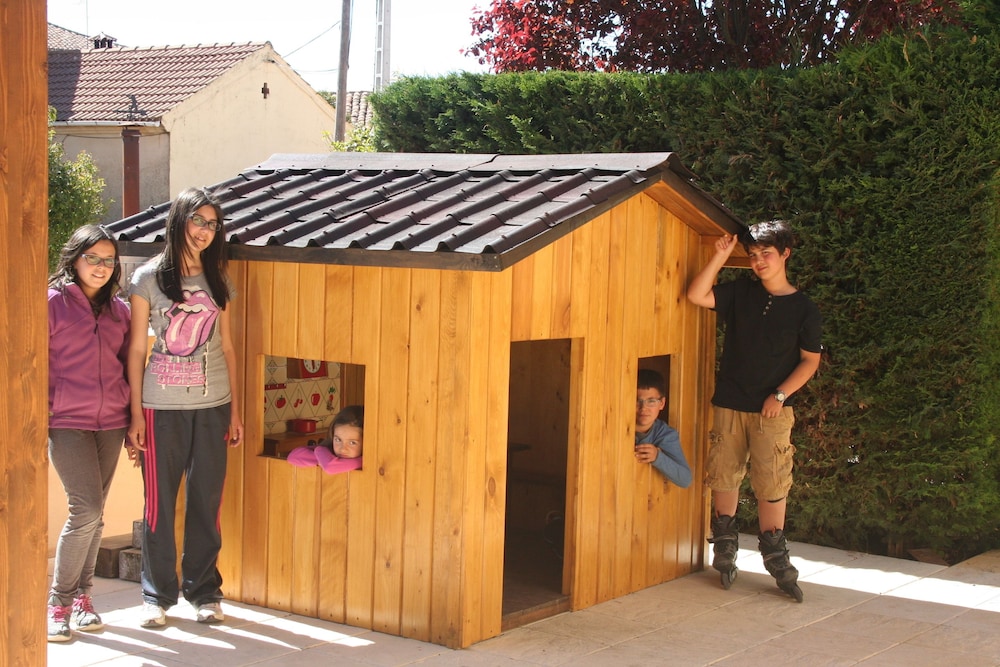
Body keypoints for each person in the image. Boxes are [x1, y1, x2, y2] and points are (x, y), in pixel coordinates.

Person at [686, 220, 822, 602]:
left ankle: (776, 558)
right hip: (730, 402)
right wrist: (720, 256)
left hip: (772, 412)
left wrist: (780, 395)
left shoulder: (804, 309)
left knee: (772, 482)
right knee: (723, 475)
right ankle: (725, 548)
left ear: (785, 254)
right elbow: (697, 295)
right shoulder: (740, 292)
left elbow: (810, 361)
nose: (759, 261)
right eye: (753, 255)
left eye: (766, 253)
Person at [127, 187, 244, 628]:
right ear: (179, 221)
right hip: (160, 407)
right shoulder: (147, 279)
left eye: (213, 224)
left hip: (214, 405)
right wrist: (135, 414)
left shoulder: (219, 280)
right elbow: (136, 349)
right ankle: (156, 596)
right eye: (198, 220)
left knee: (206, 499)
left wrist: (235, 411)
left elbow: (227, 346)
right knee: (158, 504)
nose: (205, 231)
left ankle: (204, 592)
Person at [46, 225, 133, 642]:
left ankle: (84, 599)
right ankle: (58, 604)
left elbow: (128, 365)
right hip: (65, 421)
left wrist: (134, 420)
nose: (101, 267)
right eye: (92, 258)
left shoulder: (121, 311)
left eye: (109, 260)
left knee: (95, 516)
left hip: (112, 421)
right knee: (85, 510)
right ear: (74, 259)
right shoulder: (52, 304)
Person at [633, 369, 691, 488]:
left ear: (662, 403)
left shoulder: (664, 434)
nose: (643, 408)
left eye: (651, 401)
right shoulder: (617, 427)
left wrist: (657, 457)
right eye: (637, 401)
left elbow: (685, 479)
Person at [286, 404, 364, 474]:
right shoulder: (330, 451)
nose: (343, 449)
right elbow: (292, 457)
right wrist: (324, 458)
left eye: (352, 443)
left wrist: (320, 451)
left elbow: (331, 467)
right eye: (338, 440)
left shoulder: (363, 461)